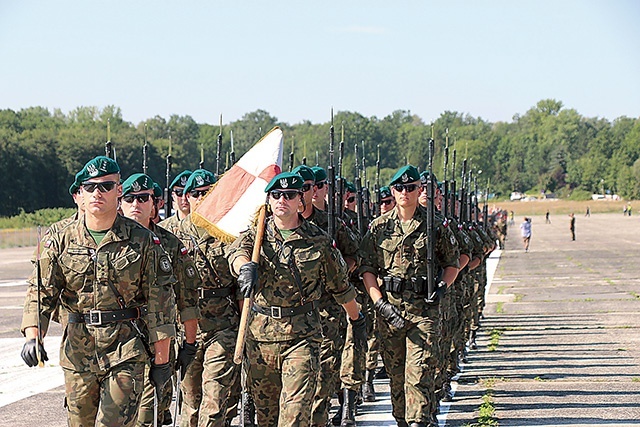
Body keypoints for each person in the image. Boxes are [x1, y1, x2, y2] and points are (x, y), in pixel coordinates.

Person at [20, 155, 177, 427]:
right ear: (79, 193)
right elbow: (40, 292)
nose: (97, 193)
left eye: (106, 186)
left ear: (118, 191)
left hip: (125, 349)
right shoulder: (59, 239)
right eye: (90, 187)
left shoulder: (142, 241)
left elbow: (159, 305)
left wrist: (162, 362)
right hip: (78, 352)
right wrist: (33, 336)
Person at [227, 172, 365, 427]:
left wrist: (356, 318)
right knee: (267, 417)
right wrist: (245, 268)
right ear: (268, 201)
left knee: (295, 414)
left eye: (290, 195)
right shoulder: (255, 236)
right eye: (276, 195)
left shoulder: (319, 241)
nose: (282, 200)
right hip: (261, 338)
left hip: (302, 337)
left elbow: (341, 286)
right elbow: (236, 254)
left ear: (301, 200)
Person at [359, 165, 460, 427]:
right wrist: (379, 303)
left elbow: (452, 263)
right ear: (393, 191)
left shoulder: (434, 225)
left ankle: (419, 421)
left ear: (419, 191)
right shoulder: (379, 227)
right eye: (400, 188)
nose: (405, 192)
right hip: (389, 310)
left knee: (419, 372)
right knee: (396, 375)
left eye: (411, 188)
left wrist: (442, 287)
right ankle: (403, 420)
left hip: (423, 310)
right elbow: (367, 269)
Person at [119, 173, 202, 427]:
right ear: (120, 202)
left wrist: (189, 344)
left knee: (150, 413)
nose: (136, 204)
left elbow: (187, 298)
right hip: (118, 342)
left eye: (143, 198)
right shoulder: (109, 240)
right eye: (130, 198)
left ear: (154, 204)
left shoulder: (169, 244)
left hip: (158, 341)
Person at [172, 169, 242, 427]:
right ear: (186, 199)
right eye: (196, 194)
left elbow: (238, 268)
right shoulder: (171, 236)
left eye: (208, 192)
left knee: (214, 403)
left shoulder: (230, 232)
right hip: (187, 329)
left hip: (222, 327)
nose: (202, 198)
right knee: (190, 406)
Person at [159, 169, 193, 234]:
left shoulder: (204, 227)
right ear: (173, 195)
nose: (184, 198)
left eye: (188, 193)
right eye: (179, 193)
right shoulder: (163, 229)